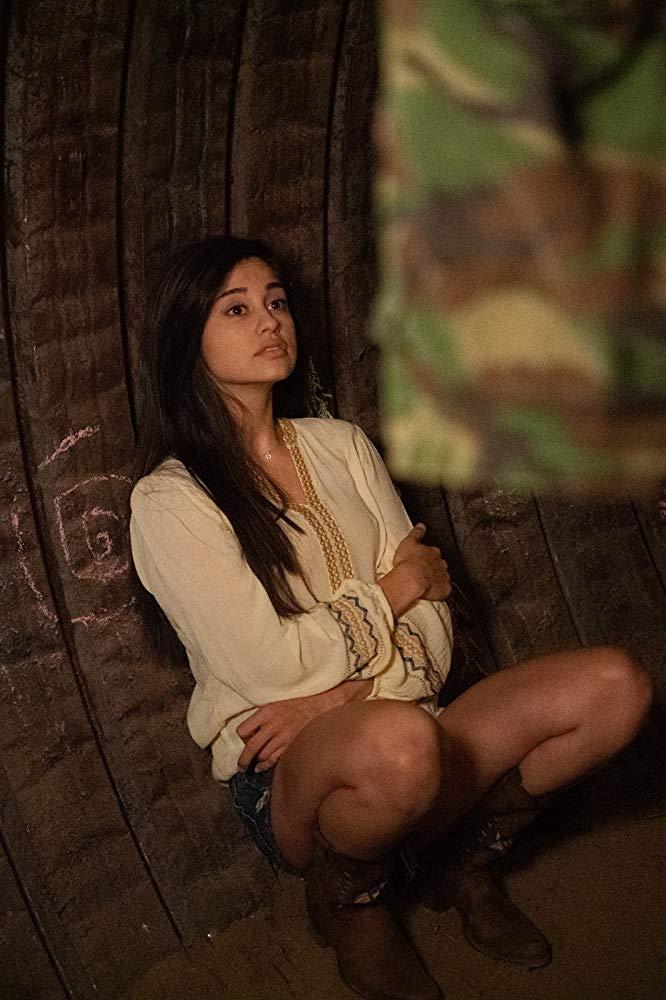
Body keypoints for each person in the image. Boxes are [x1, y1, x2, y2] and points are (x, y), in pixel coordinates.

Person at [129, 235, 654, 1000]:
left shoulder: (343, 446)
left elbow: (435, 613)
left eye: (277, 301)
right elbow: (270, 667)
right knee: (399, 743)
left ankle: (460, 862)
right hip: (291, 776)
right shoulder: (170, 500)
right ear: (186, 338)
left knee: (617, 686)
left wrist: (341, 688)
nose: (269, 320)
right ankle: (350, 901)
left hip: (417, 724)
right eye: (235, 309)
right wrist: (392, 593)